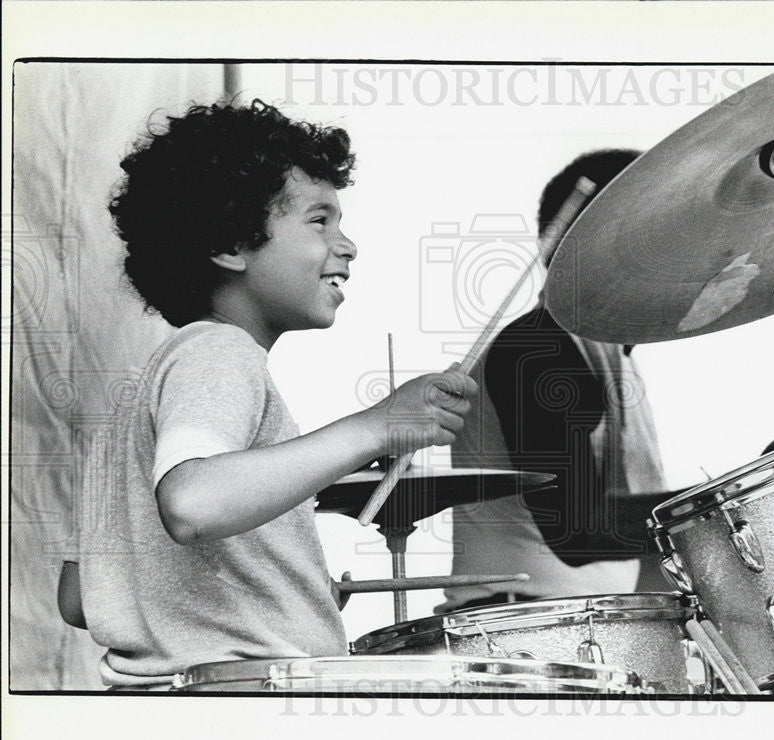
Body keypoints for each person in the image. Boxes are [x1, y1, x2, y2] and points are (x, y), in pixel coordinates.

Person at [56, 99, 476, 687]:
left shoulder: (142, 397)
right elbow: (193, 505)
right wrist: (378, 425)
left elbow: (81, 598)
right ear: (231, 242)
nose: (347, 243)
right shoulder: (220, 355)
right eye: (318, 220)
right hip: (241, 710)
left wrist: (278, 590)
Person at [439, 149, 679, 613]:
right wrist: (720, 501)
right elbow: (578, 531)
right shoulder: (538, 349)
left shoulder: (607, 355)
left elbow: (636, 548)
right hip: (522, 633)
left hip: (577, 623)